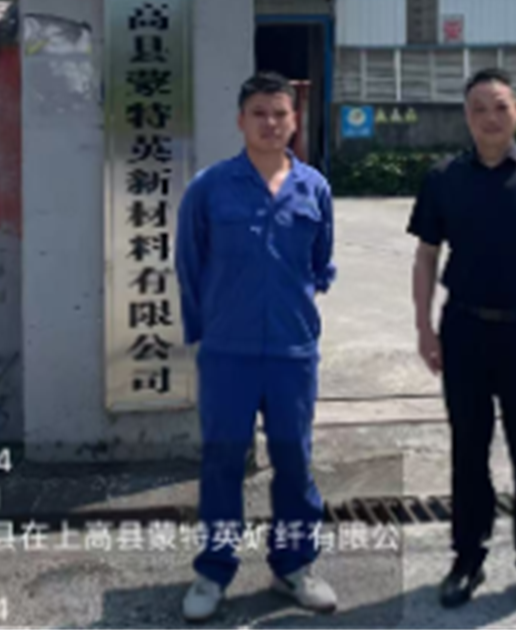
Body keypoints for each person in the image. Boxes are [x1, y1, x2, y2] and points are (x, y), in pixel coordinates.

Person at [406, 66, 516, 623]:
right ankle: (468, 558)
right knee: (469, 449)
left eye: (500, 106)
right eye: (479, 108)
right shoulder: (444, 177)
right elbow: (426, 256)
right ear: (466, 116)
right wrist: (424, 327)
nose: (490, 117)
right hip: (464, 330)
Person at [175, 71, 338, 624]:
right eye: (259, 114)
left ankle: (293, 567)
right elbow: (189, 264)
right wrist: (206, 331)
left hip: (293, 353)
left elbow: (321, 263)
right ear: (241, 121)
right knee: (223, 460)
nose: (270, 123)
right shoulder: (210, 188)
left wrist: (294, 310)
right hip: (228, 352)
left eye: (280, 114)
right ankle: (213, 570)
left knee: (294, 460)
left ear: (294, 121)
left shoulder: (314, 188)